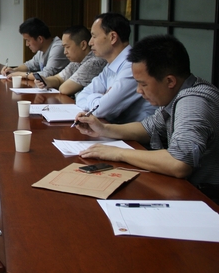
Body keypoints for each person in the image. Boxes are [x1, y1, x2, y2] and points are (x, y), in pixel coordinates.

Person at [76, 35, 219, 202]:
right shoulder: (177, 93)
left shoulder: (192, 102)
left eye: (143, 84)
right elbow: (148, 128)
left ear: (170, 81)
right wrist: (103, 129)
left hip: (206, 199)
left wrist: (118, 153)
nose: (139, 90)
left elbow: (179, 163)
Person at [75, 13, 156, 124]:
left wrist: (98, 99)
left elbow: (100, 110)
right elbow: (81, 97)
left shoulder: (132, 66)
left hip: (137, 133)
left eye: (94, 36)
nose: (90, 42)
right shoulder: (111, 65)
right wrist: (101, 98)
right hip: (114, 128)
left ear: (113, 37)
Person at [34, 25, 106, 96]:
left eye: (67, 47)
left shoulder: (94, 62)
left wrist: (54, 83)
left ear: (83, 45)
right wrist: (45, 81)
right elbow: (58, 79)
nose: (65, 52)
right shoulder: (76, 61)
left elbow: (64, 89)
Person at [1, 17, 69, 80]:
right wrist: (14, 70)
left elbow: (46, 74)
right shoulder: (41, 49)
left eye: (28, 40)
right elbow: (29, 65)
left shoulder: (58, 48)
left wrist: (20, 74)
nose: (27, 44)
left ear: (40, 39)